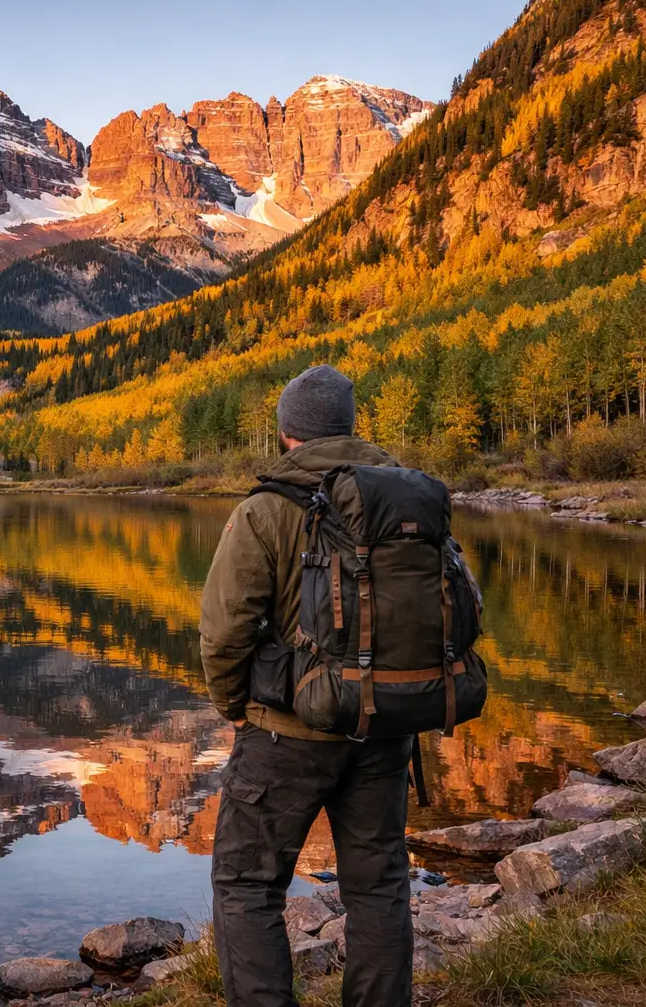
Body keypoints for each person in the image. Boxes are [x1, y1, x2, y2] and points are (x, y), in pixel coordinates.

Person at [198, 364, 414, 1007]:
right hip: (384, 725)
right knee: (378, 887)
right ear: (350, 427)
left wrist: (233, 707)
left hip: (287, 731)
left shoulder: (265, 509)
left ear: (287, 431)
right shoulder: (403, 498)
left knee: (246, 884)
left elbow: (225, 630)